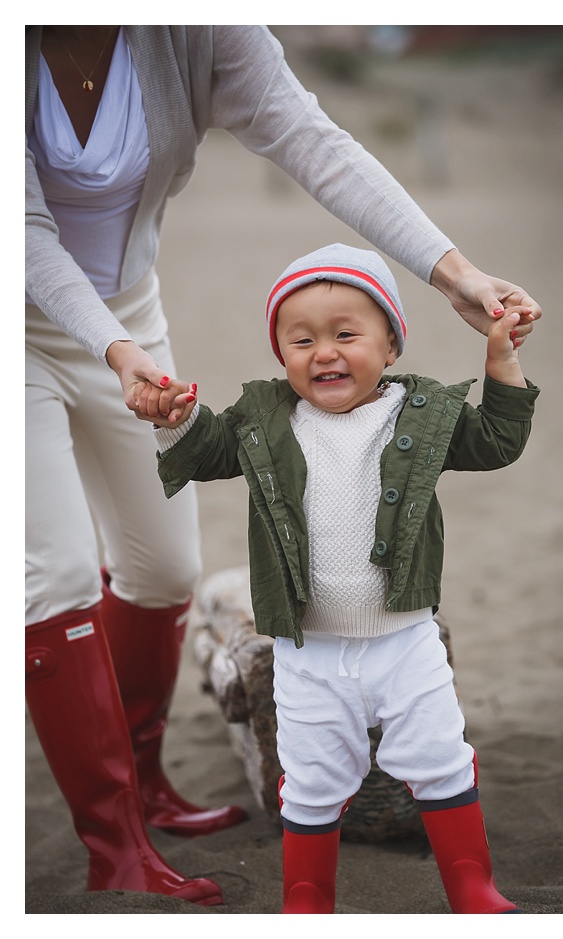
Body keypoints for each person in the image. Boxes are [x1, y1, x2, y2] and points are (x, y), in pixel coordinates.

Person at [24, 25, 539, 905]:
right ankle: (112, 839)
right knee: (60, 569)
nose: (326, 353)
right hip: (25, 308)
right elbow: (25, 232)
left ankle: (147, 781)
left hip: (127, 311)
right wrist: (119, 357)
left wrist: (450, 272)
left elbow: (315, 142)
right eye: (306, 341)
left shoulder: (196, 30)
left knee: (162, 567)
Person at [147, 244, 533, 914]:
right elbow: (205, 453)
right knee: (312, 779)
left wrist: (501, 361)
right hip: (307, 650)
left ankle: (473, 885)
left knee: (439, 756)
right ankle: (307, 895)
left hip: (406, 639)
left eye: (346, 334)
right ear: (282, 355)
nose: (323, 352)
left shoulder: (419, 414)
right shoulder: (265, 420)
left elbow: (497, 442)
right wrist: (174, 419)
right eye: (301, 340)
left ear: (389, 347)